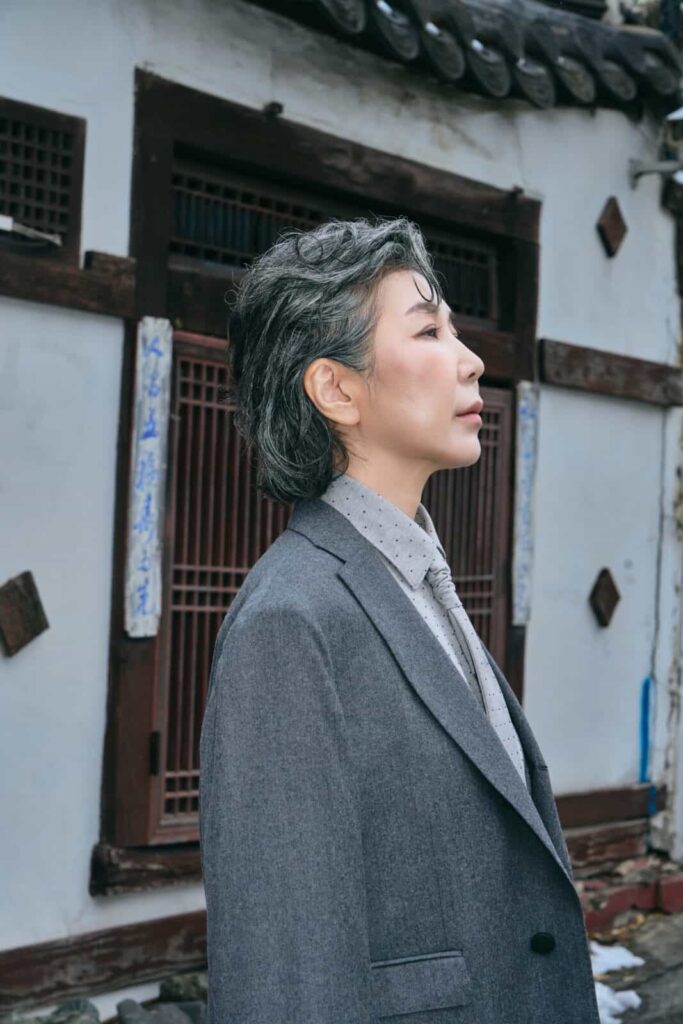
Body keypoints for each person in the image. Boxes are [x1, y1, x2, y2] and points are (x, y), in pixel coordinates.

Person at [198, 216, 600, 1024]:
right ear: (336, 389)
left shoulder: (414, 578)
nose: (471, 358)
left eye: (453, 326)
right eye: (428, 328)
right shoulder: (292, 619)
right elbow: (287, 971)